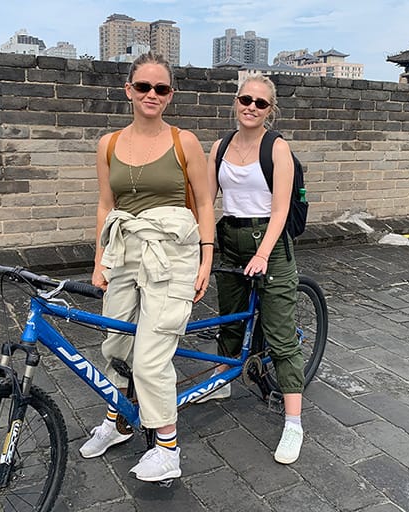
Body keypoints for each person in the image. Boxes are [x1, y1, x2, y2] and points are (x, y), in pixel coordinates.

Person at [79, 52, 215, 482]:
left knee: (152, 357)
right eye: (143, 87)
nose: (151, 95)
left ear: (170, 95)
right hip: (124, 250)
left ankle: (168, 448)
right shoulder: (109, 144)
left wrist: (206, 259)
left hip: (172, 253)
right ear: (129, 91)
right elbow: (106, 204)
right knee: (115, 344)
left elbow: (206, 202)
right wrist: (99, 260)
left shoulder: (184, 142)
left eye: (161, 89)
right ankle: (119, 420)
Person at [202, 73, 305, 464]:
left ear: (270, 110)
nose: (251, 107)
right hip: (230, 237)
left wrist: (262, 253)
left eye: (260, 103)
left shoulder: (277, 149)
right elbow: (209, 198)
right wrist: (201, 242)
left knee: (279, 334)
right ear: (236, 101)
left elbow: (279, 209)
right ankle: (224, 381)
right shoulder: (221, 146)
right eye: (246, 99)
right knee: (229, 317)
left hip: (270, 242)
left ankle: (293, 422)